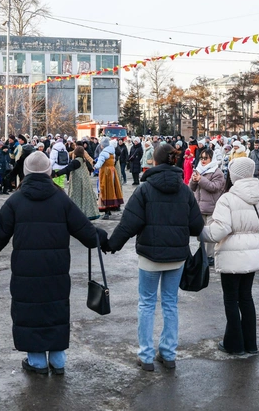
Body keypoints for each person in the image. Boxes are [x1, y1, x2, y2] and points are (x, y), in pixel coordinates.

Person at [0, 152, 105, 375]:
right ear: (48, 172)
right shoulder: (61, 199)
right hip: (56, 268)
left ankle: (37, 362)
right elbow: (87, 233)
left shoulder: (15, 200)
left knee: (29, 311)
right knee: (55, 308)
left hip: (25, 269)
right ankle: (58, 361)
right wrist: (106, 239)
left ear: (25, 172)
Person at [103, 144, 204, 371]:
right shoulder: (185, 190)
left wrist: (111, 245)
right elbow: (197, 226)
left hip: (149, 258)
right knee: (170, 304)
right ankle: (168, 354)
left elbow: (129, 223)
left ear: (155, 162)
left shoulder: (145, 190)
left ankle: (146, 356)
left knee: (146, 304)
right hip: (177, 257)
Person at [201, 157, 259, 355]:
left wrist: (201, 233)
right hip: (253, 255)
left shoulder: (227, 199)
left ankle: (234, 344)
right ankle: (250, 344)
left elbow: (220, 230)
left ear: (233, 175)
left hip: (231, 255)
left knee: (230, 299)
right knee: (246, 297)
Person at [189, 147, 225, 266]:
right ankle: (203, 254)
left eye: (206, 158)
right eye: (202, 158)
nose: (203, 160)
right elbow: (191, 188)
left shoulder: (217, 172)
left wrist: (201, 179)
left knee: (210, 234)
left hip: (211, 209)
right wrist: (194, 180)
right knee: (201, 233)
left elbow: (214, 187)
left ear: (211, 158)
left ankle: (209, 256)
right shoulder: (198, 170)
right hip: (199, 208)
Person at [53, 146, 99, 220]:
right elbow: (89, 166)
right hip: (85, 181)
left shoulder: (76, 161)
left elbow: (67, 169)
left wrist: (56, 174)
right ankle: (86, 213)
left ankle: (75, 214)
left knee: (76, 197)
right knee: (83, 198)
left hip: (77, 182)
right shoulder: (83, 160)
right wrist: (91, 169)